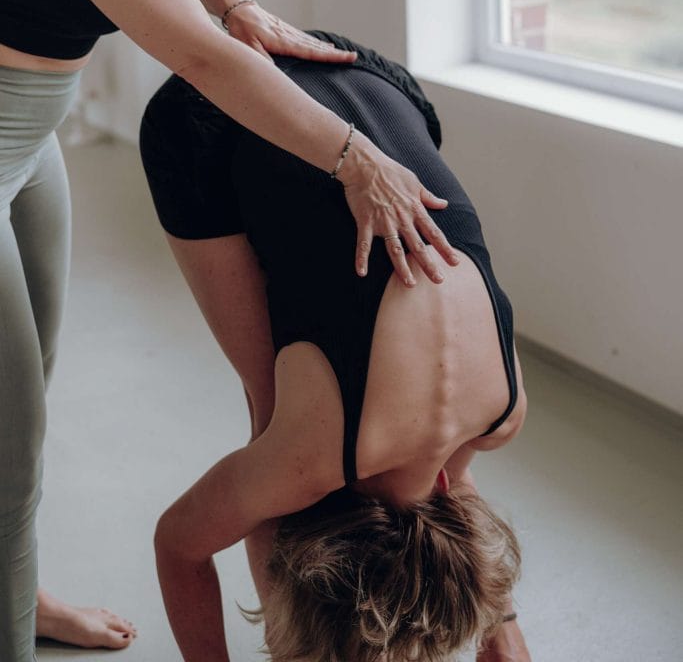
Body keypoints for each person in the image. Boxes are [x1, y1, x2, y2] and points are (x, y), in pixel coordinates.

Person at [0, 0, 459, 658]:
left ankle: (15, 591)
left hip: (35, 146)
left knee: (21, 401)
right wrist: (353, 155)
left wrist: (240, 2)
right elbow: (200, 64)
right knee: (12, 440)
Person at [141, 33, 532, 662]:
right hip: (211, 109)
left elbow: (441, 486)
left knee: (303, 422)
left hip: (376, 81)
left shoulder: (498, 417)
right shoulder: (309, 456)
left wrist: (505, 647)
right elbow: (177, 546)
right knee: (272, 412)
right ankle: (296, 648)